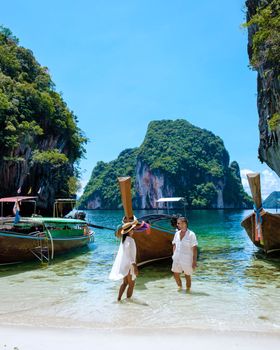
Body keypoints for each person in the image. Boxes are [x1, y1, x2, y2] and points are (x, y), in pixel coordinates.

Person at [109, 221, 139, 301]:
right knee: (131, 284)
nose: (133, 231)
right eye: (132, 229)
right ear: (129, 231)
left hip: (124, 265)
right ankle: (128, 301)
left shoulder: (124, 240)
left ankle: (118, 299)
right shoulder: (131, 240)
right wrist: (135, 266)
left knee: (125, 283)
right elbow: (131, 255)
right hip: (130, 265)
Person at [171, 216, 198, 292]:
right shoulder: (177, 233)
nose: (177, 225)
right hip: (177, 258)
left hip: (187, 259)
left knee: (187, 275)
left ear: (184, 223)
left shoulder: (191, 234)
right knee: (175, 274)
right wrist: (173, 255)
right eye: (177, 223)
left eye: (178, 223)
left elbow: (195, 248)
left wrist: (194, 261)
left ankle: (188, 290)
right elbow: (174, 244)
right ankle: (180, 287)